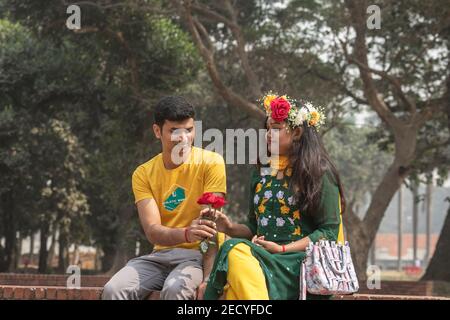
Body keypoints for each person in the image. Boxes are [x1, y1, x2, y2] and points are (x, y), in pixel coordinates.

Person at [203, 93, 345, 300]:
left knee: (233, 263)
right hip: (265, 258)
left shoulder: (319, 173)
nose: (268, 134)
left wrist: (283, 248)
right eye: (267, 129)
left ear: (296, 132)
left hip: (300, 264)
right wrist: (230, 228)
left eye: (276, 129)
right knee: (234, 250)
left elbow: (329, 233)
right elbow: (254, 226)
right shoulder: (260, 173)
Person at [102, 96, 226, 300]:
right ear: (157, 131)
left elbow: (212, 230)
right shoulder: (143, 173)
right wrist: (186, 233)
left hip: (196, 257)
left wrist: (208, 279)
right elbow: (153, 231)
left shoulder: (211, 163)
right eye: (175, 131)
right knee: (113, 290)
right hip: (158, 258)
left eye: (189, 130)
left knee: (175, 288)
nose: (184, 137)